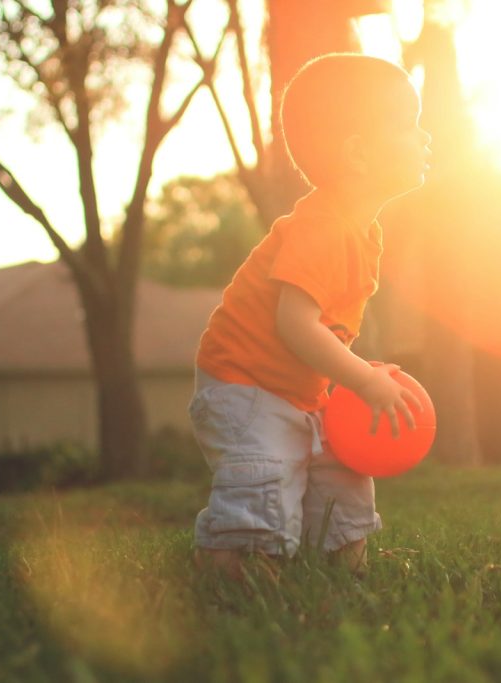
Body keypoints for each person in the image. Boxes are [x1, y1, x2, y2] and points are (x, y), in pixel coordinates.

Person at [189, 53, 432, 579]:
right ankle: (236, 562)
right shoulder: (323, 226)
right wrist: (363, 378)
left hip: (295, 385)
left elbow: (321, 332)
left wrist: (350, 377)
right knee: (267, 471)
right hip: (244, 381)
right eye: (409, 124)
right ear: (359, 154)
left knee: (340, 467)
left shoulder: (361, 229)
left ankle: (342, 562)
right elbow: (294, 325)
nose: (424, 137)